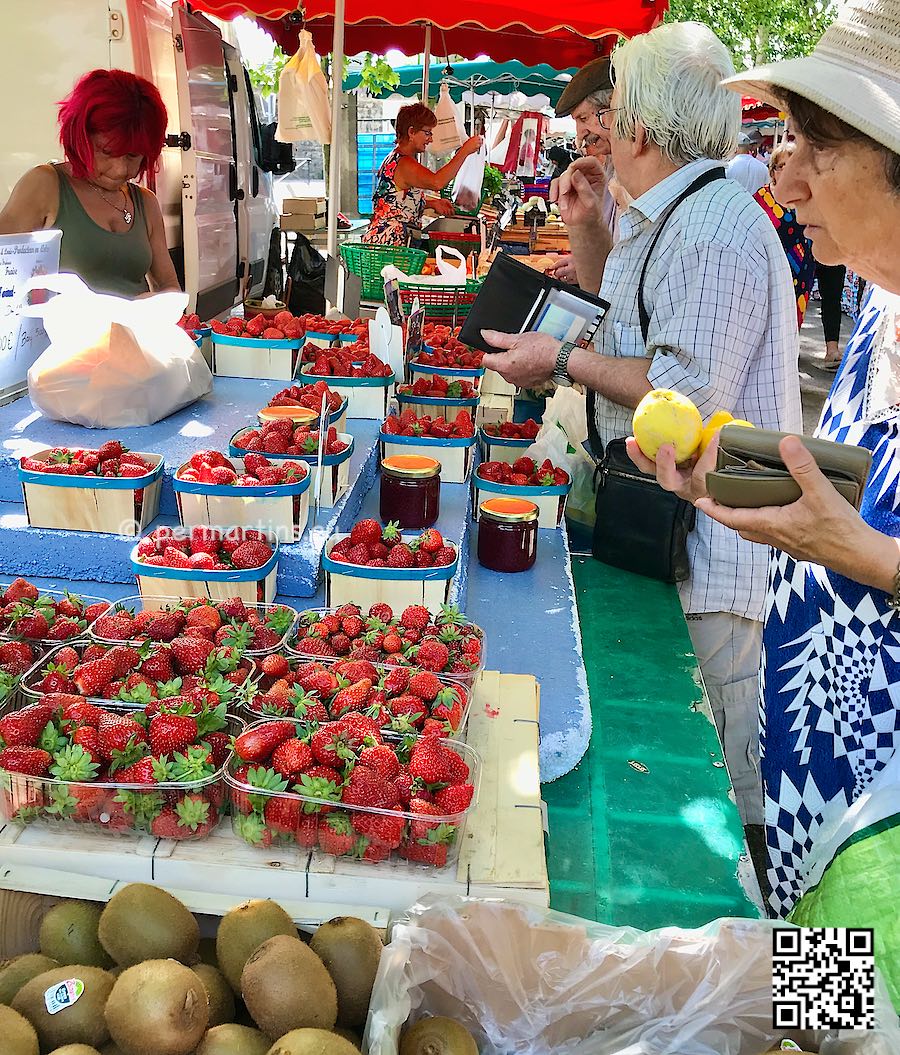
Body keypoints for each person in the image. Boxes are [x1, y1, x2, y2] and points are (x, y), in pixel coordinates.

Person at [480, 21, 802, 852]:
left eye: (611, 109)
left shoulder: (716, 227)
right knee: (669, 776)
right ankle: (724, 960)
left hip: (715, 553)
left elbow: (681, 394)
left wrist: (561, 358)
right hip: (662, 530)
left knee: (723, 804)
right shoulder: (665, 217)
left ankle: (758, 963)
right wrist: (589, 227)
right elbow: (627, 330)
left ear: (642, 128)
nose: (599, 126)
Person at [626, 0, 900, 919]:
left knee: (867, 1024)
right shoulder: (881, 306)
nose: (791, 184)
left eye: (816, 151)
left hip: (884, 839)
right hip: (822, 799)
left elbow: (868, 540)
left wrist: (862, 552)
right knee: (809, 1014)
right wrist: (741, 475)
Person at [0, 68, 179, 298]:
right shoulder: (45, 184)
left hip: (133, 334)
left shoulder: (146, 202)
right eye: (106, 151)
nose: (120, 169)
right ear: (81, 136)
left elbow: (169, 286)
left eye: (133, 156)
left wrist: (155, 304)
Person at [362, 103, 481, 247]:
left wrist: (432, 204)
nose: (430, 139)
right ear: (411, 132)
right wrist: (464, 151)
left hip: (387, 239)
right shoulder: (404, 163)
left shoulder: (395, 157)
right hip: (391, 242)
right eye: (427, 133)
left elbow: (396, 201)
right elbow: (437, 182)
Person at [545, 56, 619, 284]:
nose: (580, 134)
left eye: (584, 118)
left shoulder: (637, 174)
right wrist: (583, 264)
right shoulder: (609, 167)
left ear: (611, 110)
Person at [753, 142, 816, 325]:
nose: (788, 171)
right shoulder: (761, 199)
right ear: (772, 171)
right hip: (769, 272)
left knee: (793, 322)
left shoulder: (809, 197)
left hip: (801, 273)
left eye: (793, 165)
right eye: (782, 166)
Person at [816, 261, 847, 367]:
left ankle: (832, 351)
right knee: (796, 295)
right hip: (800, 247)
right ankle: (791, 346)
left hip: (833, 250)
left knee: (833, 296)